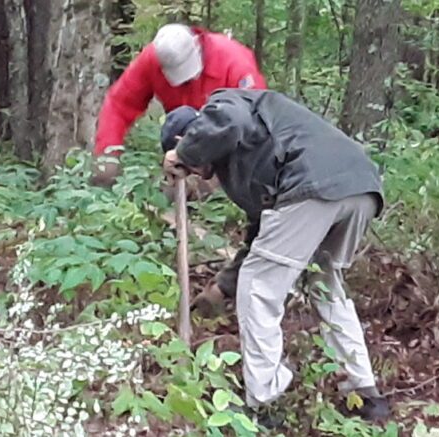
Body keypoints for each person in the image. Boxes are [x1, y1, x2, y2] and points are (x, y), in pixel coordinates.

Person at [160, 89, 391, 422]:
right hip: (358, 189)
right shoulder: (249, 157)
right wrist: (221, 287)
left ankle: (266, 402)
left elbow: (228, 120)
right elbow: (265, 234)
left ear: (190, 136)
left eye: (191, 164)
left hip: (315, 184)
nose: (195, 173)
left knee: (257, 288)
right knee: (323, 284)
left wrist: (182, 152)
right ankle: (364, 392)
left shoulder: (226, 105)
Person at [90, 23, 266, 187]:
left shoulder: (235, 64)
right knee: (166, 195)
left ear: (197, 48)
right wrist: (107, 154)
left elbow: (256, 125)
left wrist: (217, 177)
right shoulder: (153, 58)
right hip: (182, 146)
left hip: (228, 147)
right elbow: (120, 104)